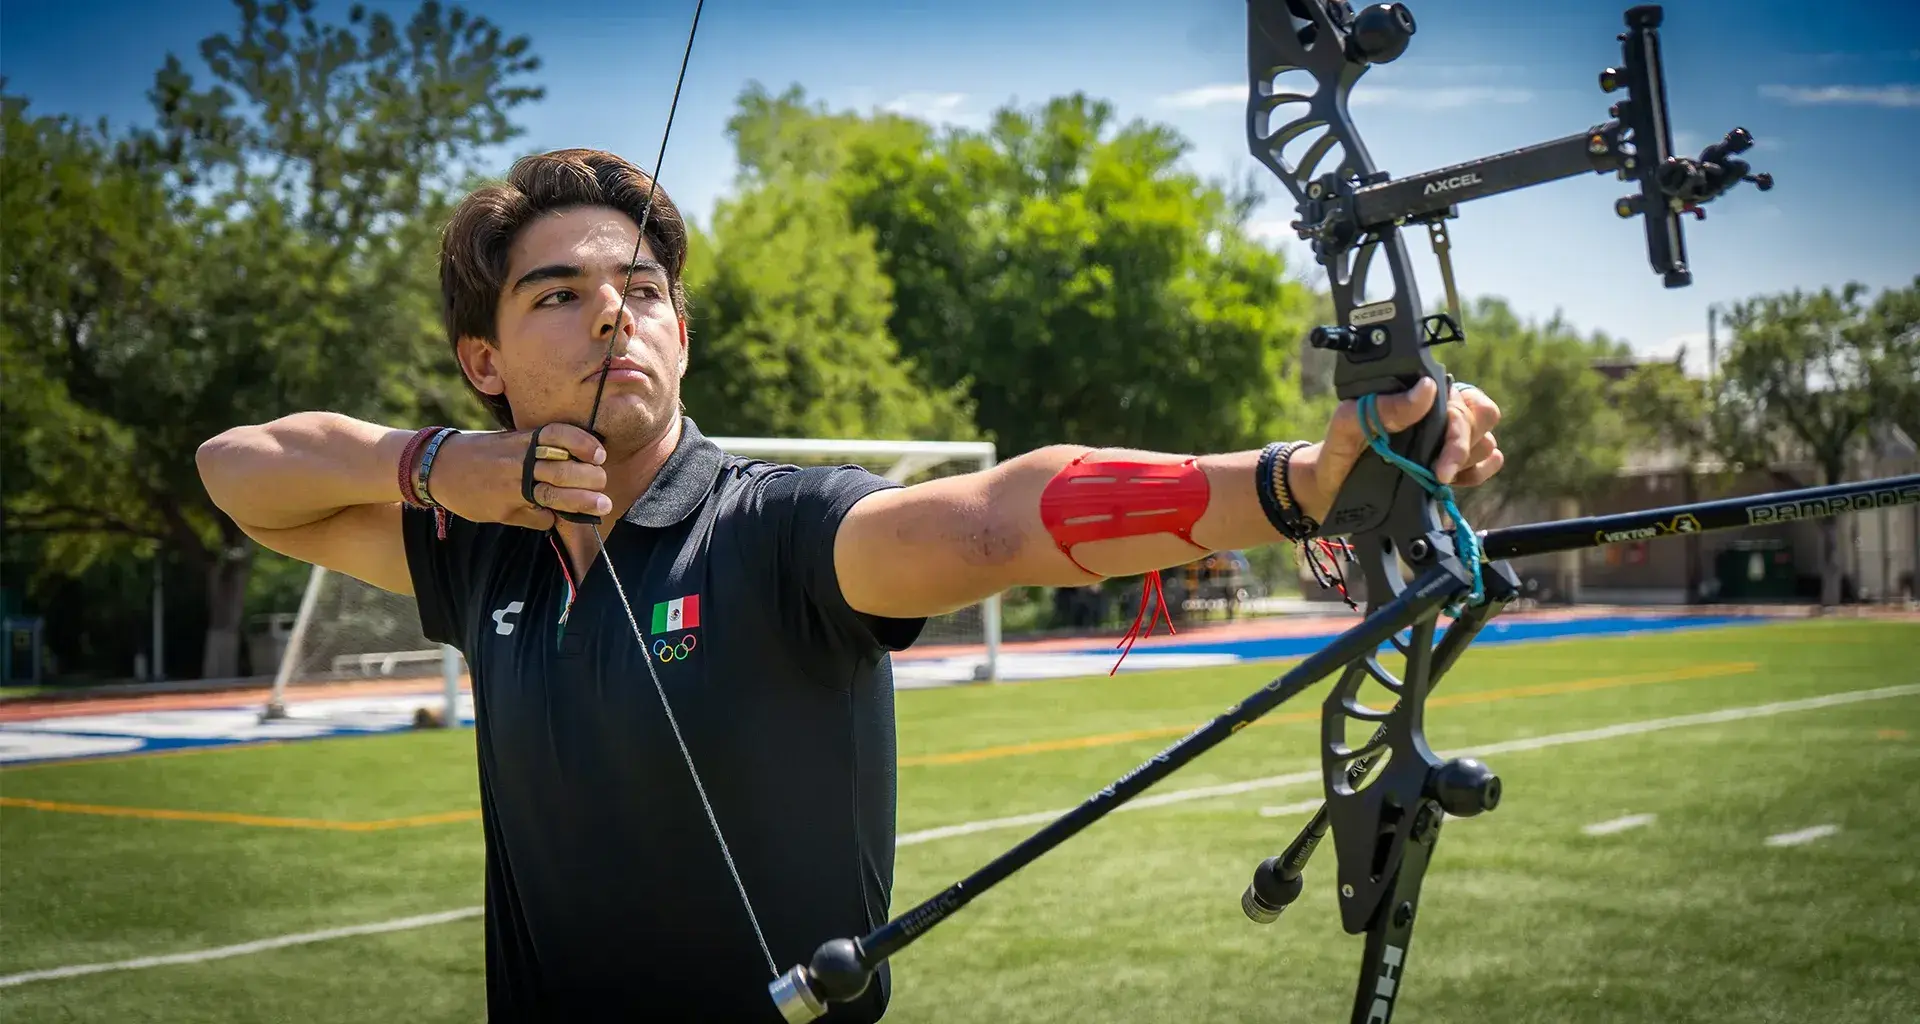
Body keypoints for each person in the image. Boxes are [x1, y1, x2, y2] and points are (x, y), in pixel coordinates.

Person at [196, 148, 1504, 1023]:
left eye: (644, 289)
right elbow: (240, 472)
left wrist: (1297, 481)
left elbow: (1001, 521)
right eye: (561, 293)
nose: (614, 313)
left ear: (684, 332)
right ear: (484, 362)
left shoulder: (777, 525)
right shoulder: (474, 545)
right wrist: (443, 468)